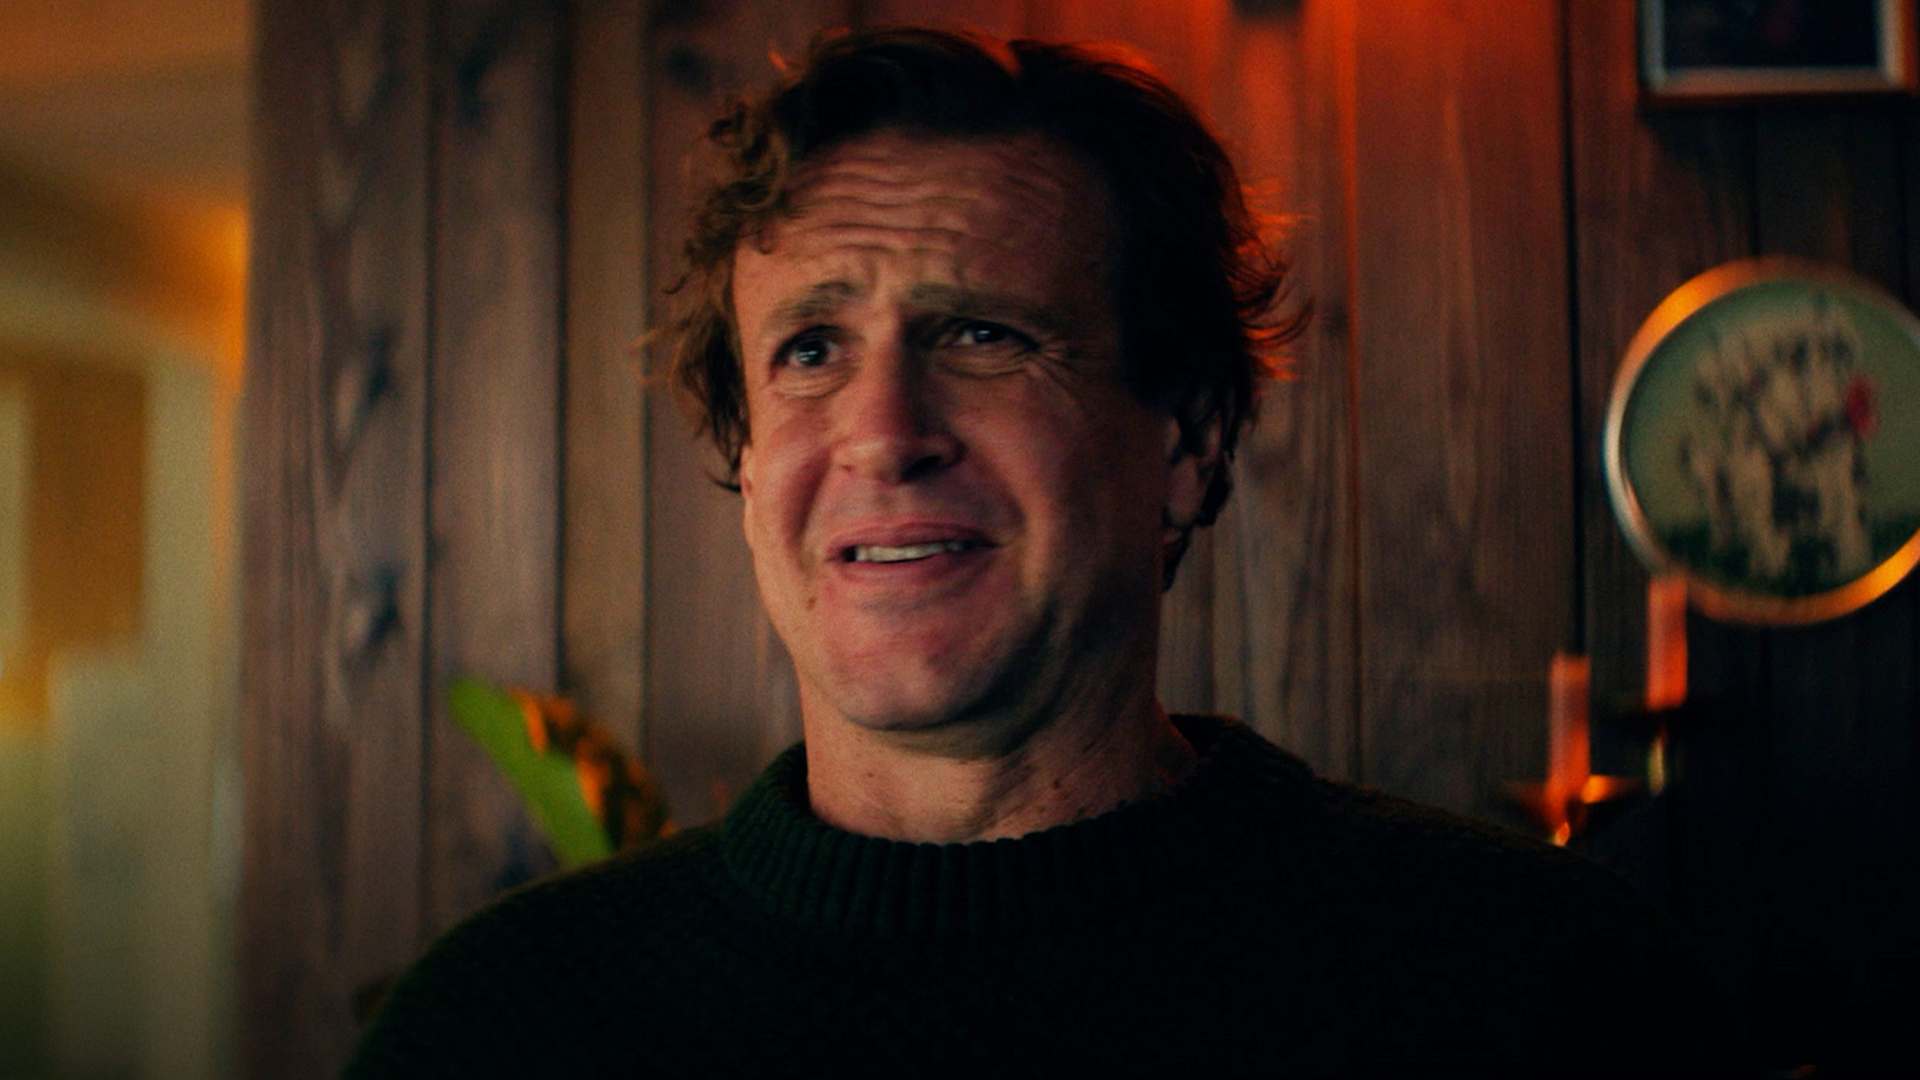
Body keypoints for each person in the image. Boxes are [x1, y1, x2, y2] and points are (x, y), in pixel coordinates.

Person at [348, 27, 1715, 1077]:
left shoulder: (1538, 985)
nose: (883, 434)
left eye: (982, 335)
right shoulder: (497, 1026)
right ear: (750, 466)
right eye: (810, 350)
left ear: (1186, 442)